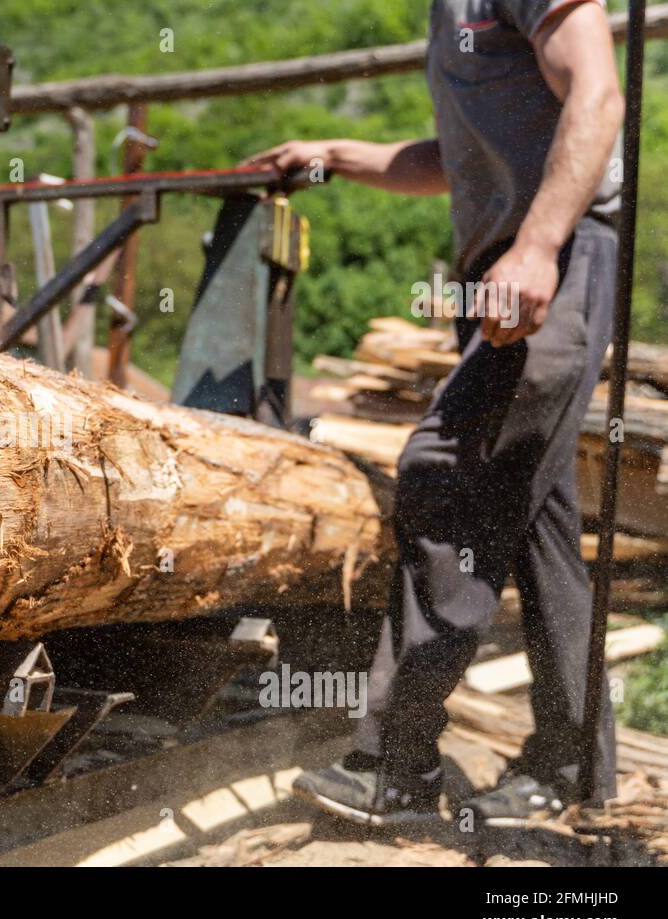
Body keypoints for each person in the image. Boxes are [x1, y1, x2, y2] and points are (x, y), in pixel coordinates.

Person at [249, 0, 625, 826]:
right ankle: (572, 771)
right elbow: (457, 158)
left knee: (447, 474)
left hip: (549, 259)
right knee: (538, 524)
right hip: (512, 267)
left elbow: (597, 96)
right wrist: (337, 155)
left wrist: (537, 246)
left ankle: (397, 766)